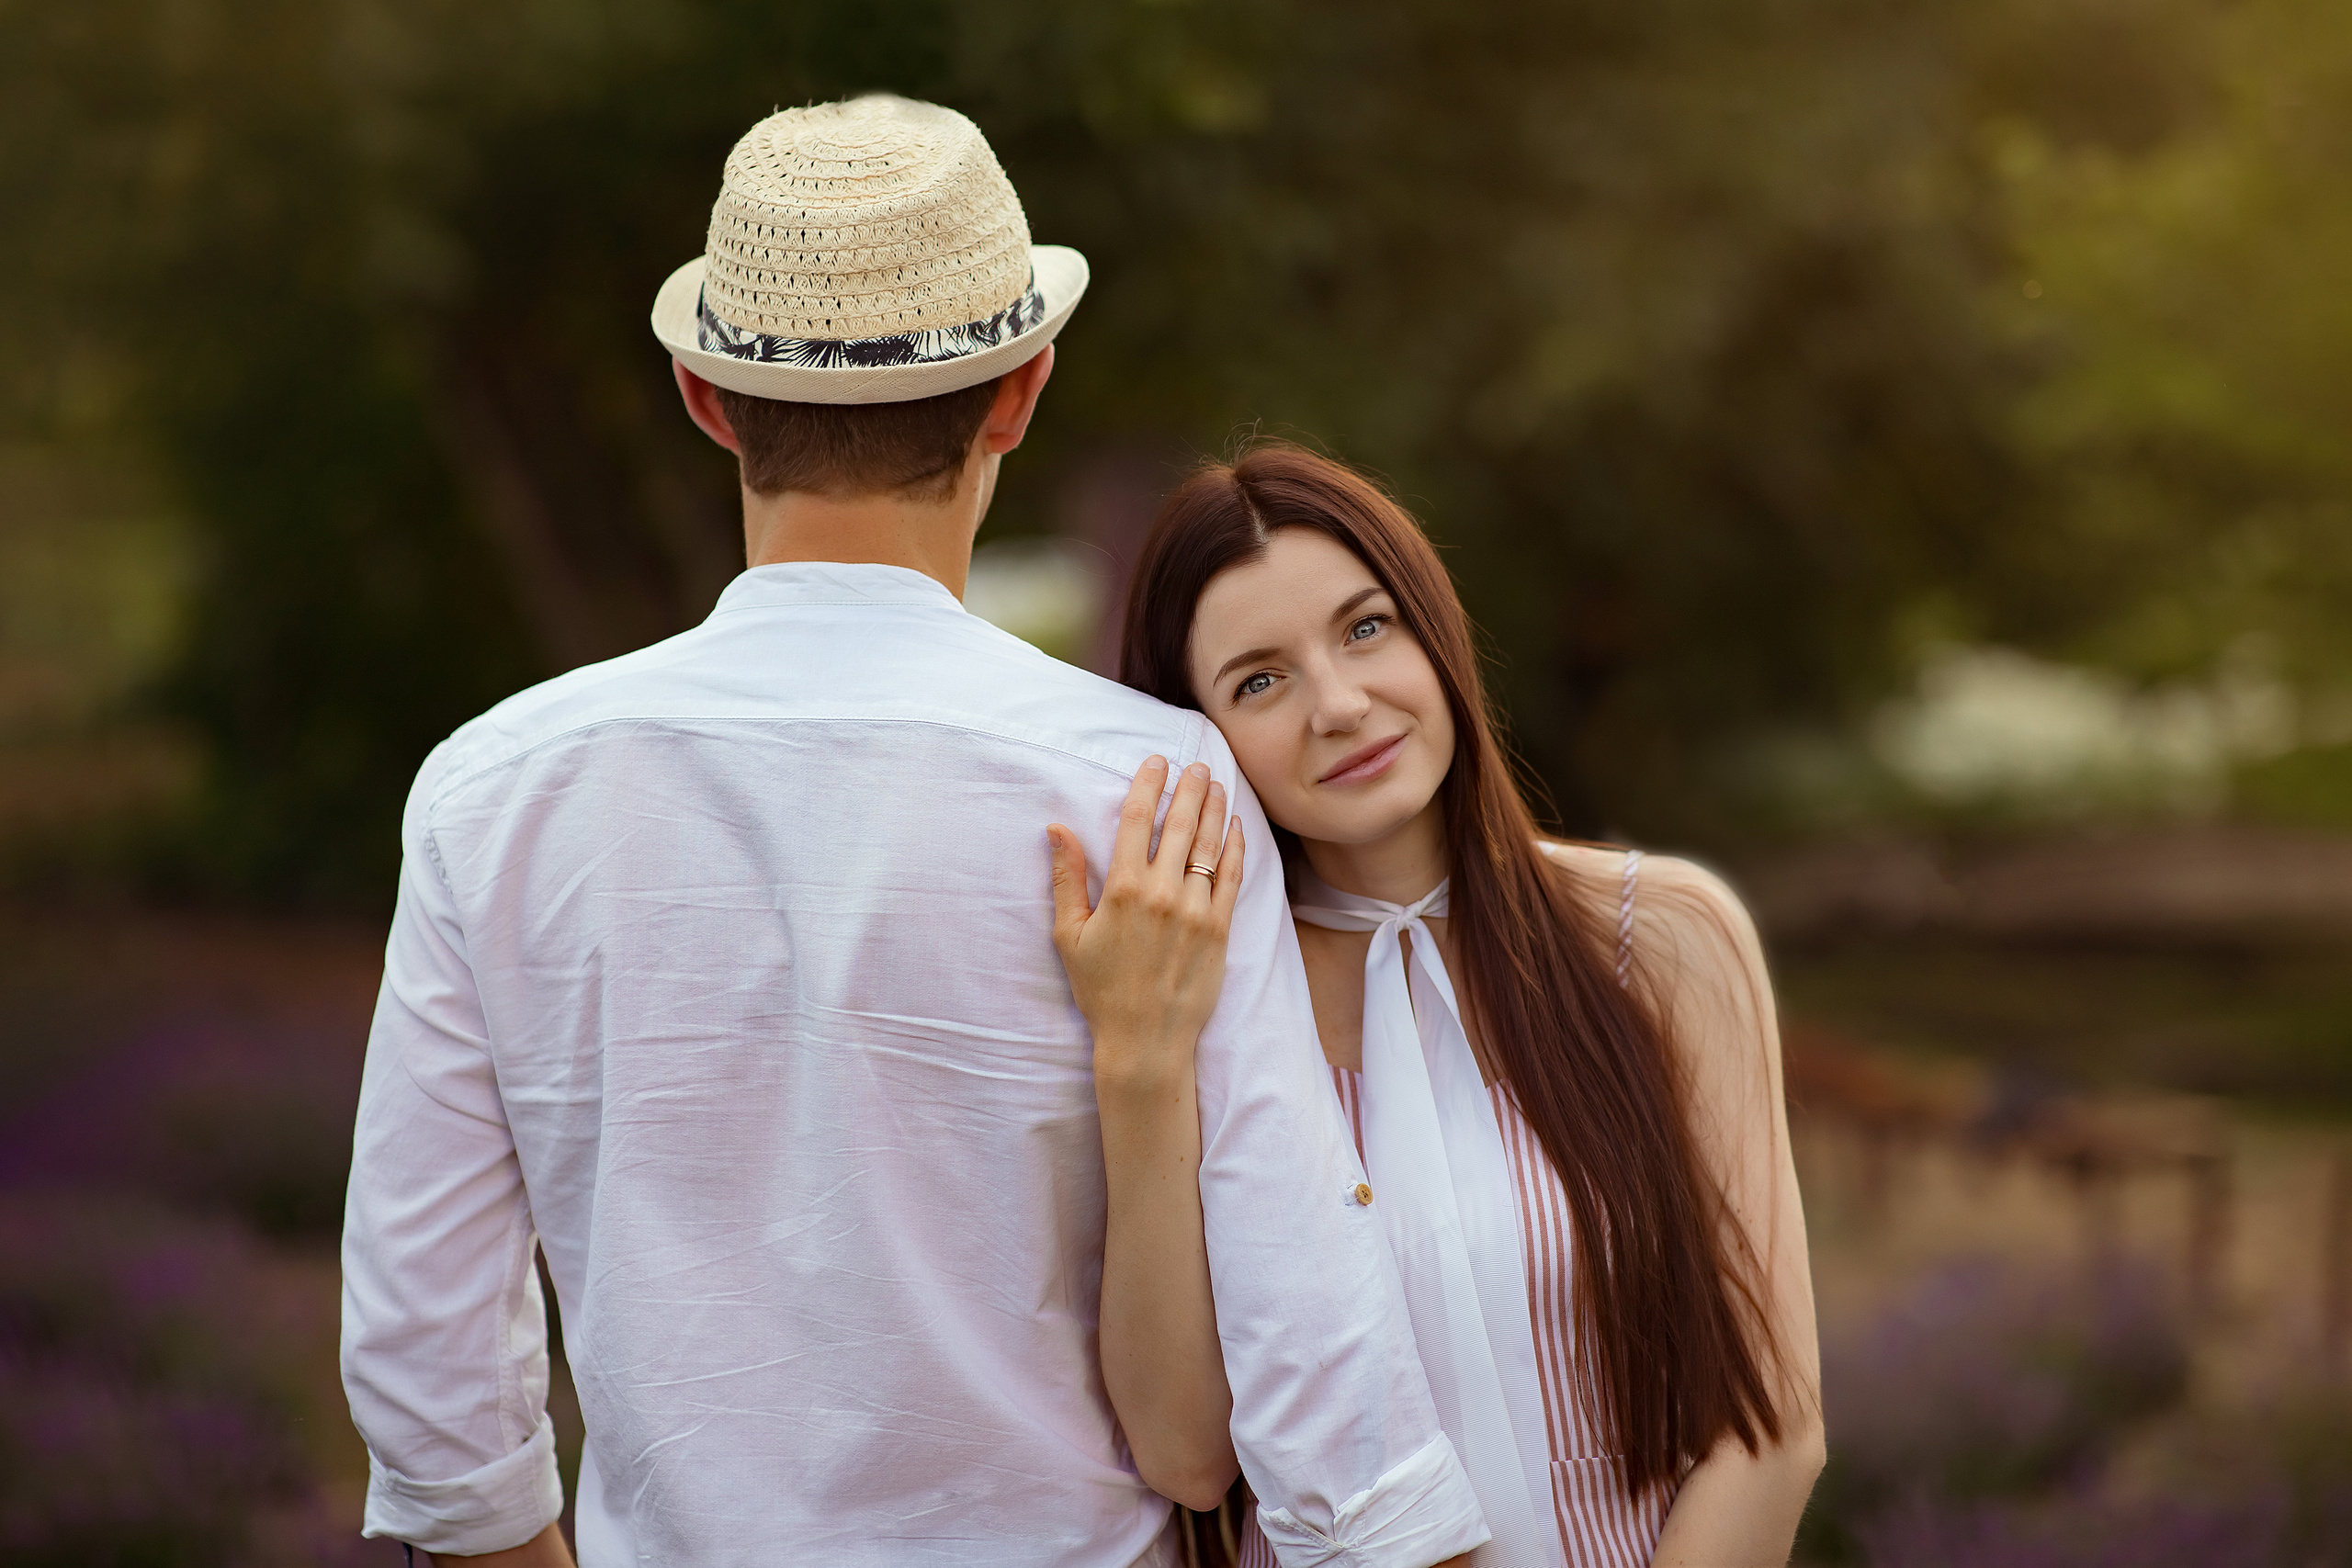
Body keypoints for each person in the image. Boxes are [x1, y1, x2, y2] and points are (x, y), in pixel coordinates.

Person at [340, 98, 1490, 1567]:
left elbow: (426, 1364)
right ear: (1021, 392)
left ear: (703, 396)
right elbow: (1319, 1363)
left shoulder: (493, 791)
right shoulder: (1150, 786)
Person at [1046, 444, 1826, 1567]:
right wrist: (1140, 1060)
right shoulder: (1203, 1002)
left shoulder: (1660, 939)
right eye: (1259, 681)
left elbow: (1772, 1427)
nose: (1341, 704)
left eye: (1366, 629)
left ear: (1434, 630)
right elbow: (1185, 1452)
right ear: (1197, 736)